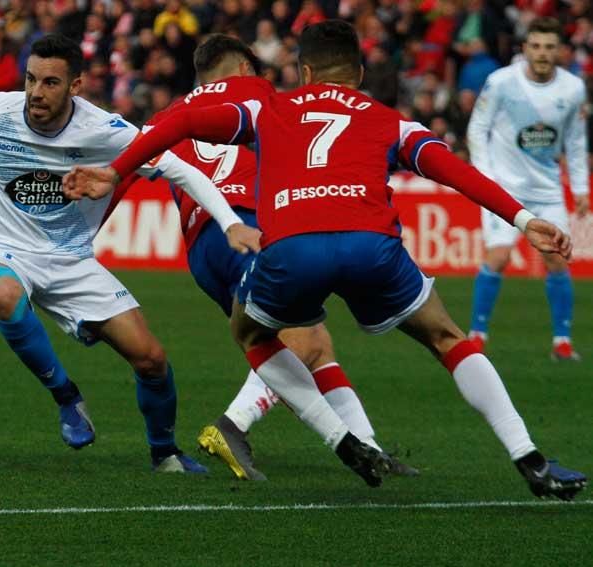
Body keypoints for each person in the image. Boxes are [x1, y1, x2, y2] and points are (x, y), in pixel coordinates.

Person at [64, 21, 587, 499]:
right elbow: (452, 169)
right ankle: (530, 457)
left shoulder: (265, 109)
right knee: (448, 338)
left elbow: (181, 124)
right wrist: (523, 219)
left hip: (290, 247)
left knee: (252, 334)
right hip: (371, 244)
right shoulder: (388, 120)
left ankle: (341, 439)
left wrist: (116, 170)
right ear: (359, 73)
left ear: (304, 72)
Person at [107, 34, 417, 481]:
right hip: (250, 228)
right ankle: (232, 425)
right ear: (248, 69)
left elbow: (125, 171)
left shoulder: (167, 117)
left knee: (309, 341)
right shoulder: (262, 95)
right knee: (302, 339)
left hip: (204, 251)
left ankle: (369, 447)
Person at [0, 34, 260, 473]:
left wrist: (231, 222)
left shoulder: (105, 131)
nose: (35, 94)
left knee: (151, 358)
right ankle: (67, 397)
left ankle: (165, 453)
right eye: (30, 80)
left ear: (75, 86)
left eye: (50, 83)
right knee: (6, 297)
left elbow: (184, 172)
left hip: (70, 259)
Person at [466, 17, 589, 361]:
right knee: (499, 256)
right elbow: (477, 129)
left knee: (557, 260)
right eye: (536, 46)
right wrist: (485, 179)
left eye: (549, 47)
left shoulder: (573, 88)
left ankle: (562, 343)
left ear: (560, 51)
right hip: (503, 189)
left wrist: (579, 187)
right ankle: (476, 337)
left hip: (548, 190)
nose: (542, 53)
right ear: (524, 49)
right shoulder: (502, 82)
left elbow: (576, 143)